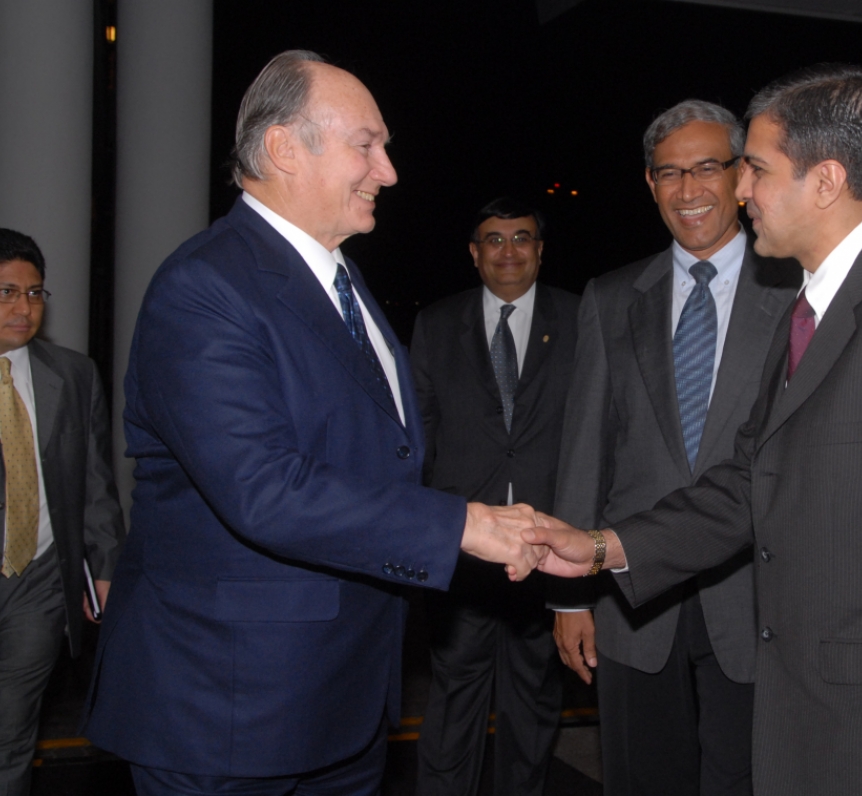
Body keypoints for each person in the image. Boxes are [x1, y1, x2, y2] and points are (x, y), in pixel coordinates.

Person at [530, 64, 862, 796]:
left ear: (826, 181)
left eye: (757, 171)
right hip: (812, 718)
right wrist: (598, 547)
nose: (739, 193)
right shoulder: (812, 307)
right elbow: (749, 481)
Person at [82, 50, 544, 796]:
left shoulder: (338, 274)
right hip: (232, 711)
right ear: (284, 149)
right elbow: (263, 488)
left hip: (342, 698)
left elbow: (380, 452)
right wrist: (460, 525)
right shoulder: (203, 287)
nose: (387, 170)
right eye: (366, 144)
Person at [552, 100, 799, 796]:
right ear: (649, 184)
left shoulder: (794, 291)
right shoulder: (611, 296)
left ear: (741, 175)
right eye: (668, 173)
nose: (687, 191)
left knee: (747, 778)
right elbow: (584, 449)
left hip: (757, 590)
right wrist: (569, 598)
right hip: (634, 600)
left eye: (705, 169)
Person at [411, 198, 578, 796]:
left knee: (533, 704)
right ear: (475, 253)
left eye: (522, 238)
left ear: (540, 249)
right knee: (454, 697)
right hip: (463, 548)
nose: (509, 251)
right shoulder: (435, 324)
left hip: (549, 547)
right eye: (494, 239)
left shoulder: (583, 319)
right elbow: (419, 435)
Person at [0, 229, 125, 796]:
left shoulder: (72, 375)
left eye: (34, 293)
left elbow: (96, 481)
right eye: (6, 292)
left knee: (12, 732)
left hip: (41, 580)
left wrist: (103, 563)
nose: (23, 308)